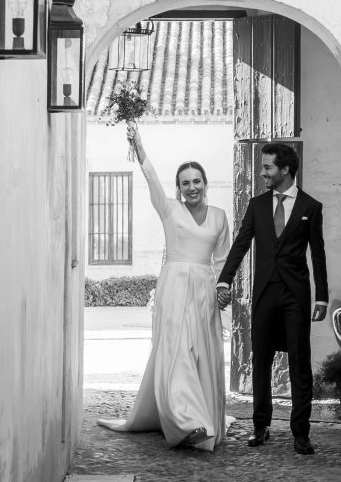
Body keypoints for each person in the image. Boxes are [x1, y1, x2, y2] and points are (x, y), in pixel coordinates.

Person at [97, 122, 232, 451]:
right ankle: (188, 423)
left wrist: (223, 288)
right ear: (178, 188)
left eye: (196, 181)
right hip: (173, 287)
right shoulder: (169, 210)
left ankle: (203, 415)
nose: (191, 187)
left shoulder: (218, 216)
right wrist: (139, 147)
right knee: (176, 352)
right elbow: (152, 180)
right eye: (185, 183)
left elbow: (223, 259)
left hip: (204, 291)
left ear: (205, 183)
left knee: (204, 353)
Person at [216, 142, 328, 455]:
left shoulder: (310, 207)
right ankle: (260, 425)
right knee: (260, 359)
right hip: (264, 292)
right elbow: (240, 245)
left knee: (299, 361)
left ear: (286, 169)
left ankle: (301, 432)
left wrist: (322, 297)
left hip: (296, 295)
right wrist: (225, 280)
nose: (263, 172)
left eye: (267, 167)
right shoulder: (257, 205)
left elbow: (317, 254)